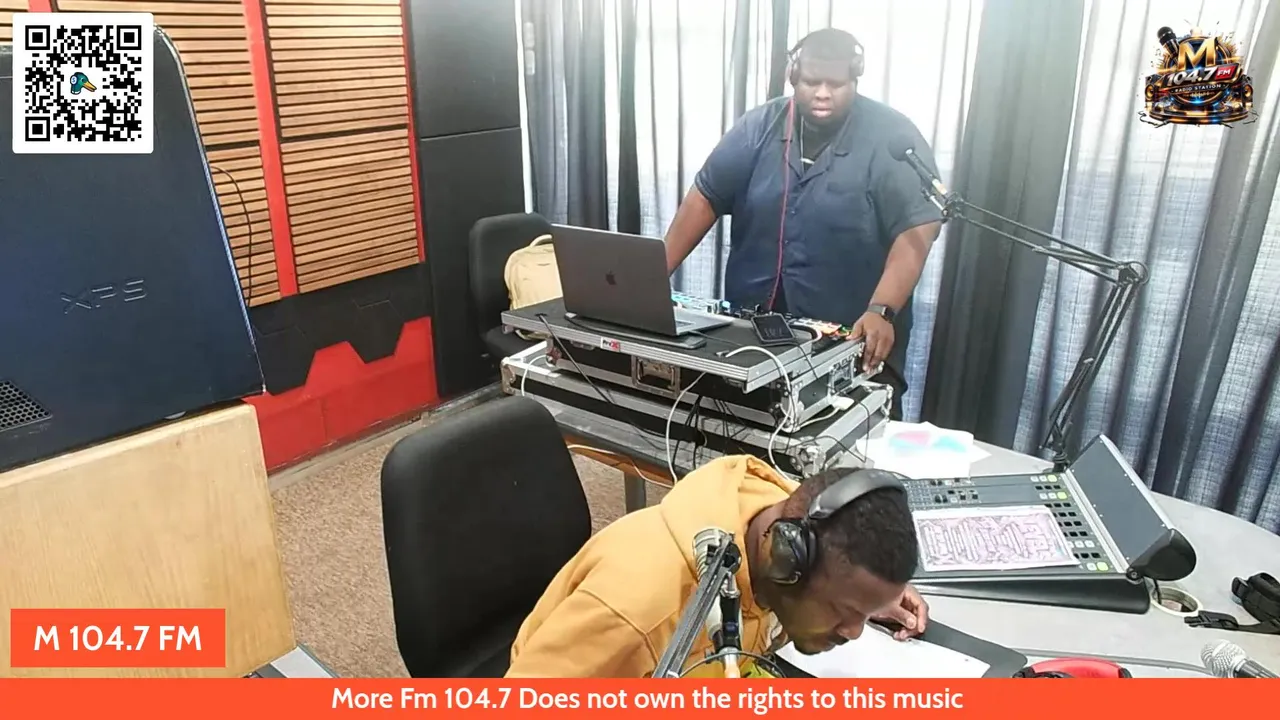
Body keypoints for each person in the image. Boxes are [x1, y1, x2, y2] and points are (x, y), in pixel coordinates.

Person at [662, 28, 943, 419]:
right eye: (812, 82)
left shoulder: (892, 135)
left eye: (836, 84)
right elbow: (704, 197)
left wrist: (882, 309)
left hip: (852, 334)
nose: (823, 93)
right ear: (793, 76)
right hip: (755, 331)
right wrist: (654, 275)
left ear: (855, 77)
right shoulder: (757, 127)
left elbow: (917, 228)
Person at [505, 456, 928, 677]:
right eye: (845, 612)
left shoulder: (776, 513)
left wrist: (867, 598)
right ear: (787, 560)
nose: (853, 632)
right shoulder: (641, 613)